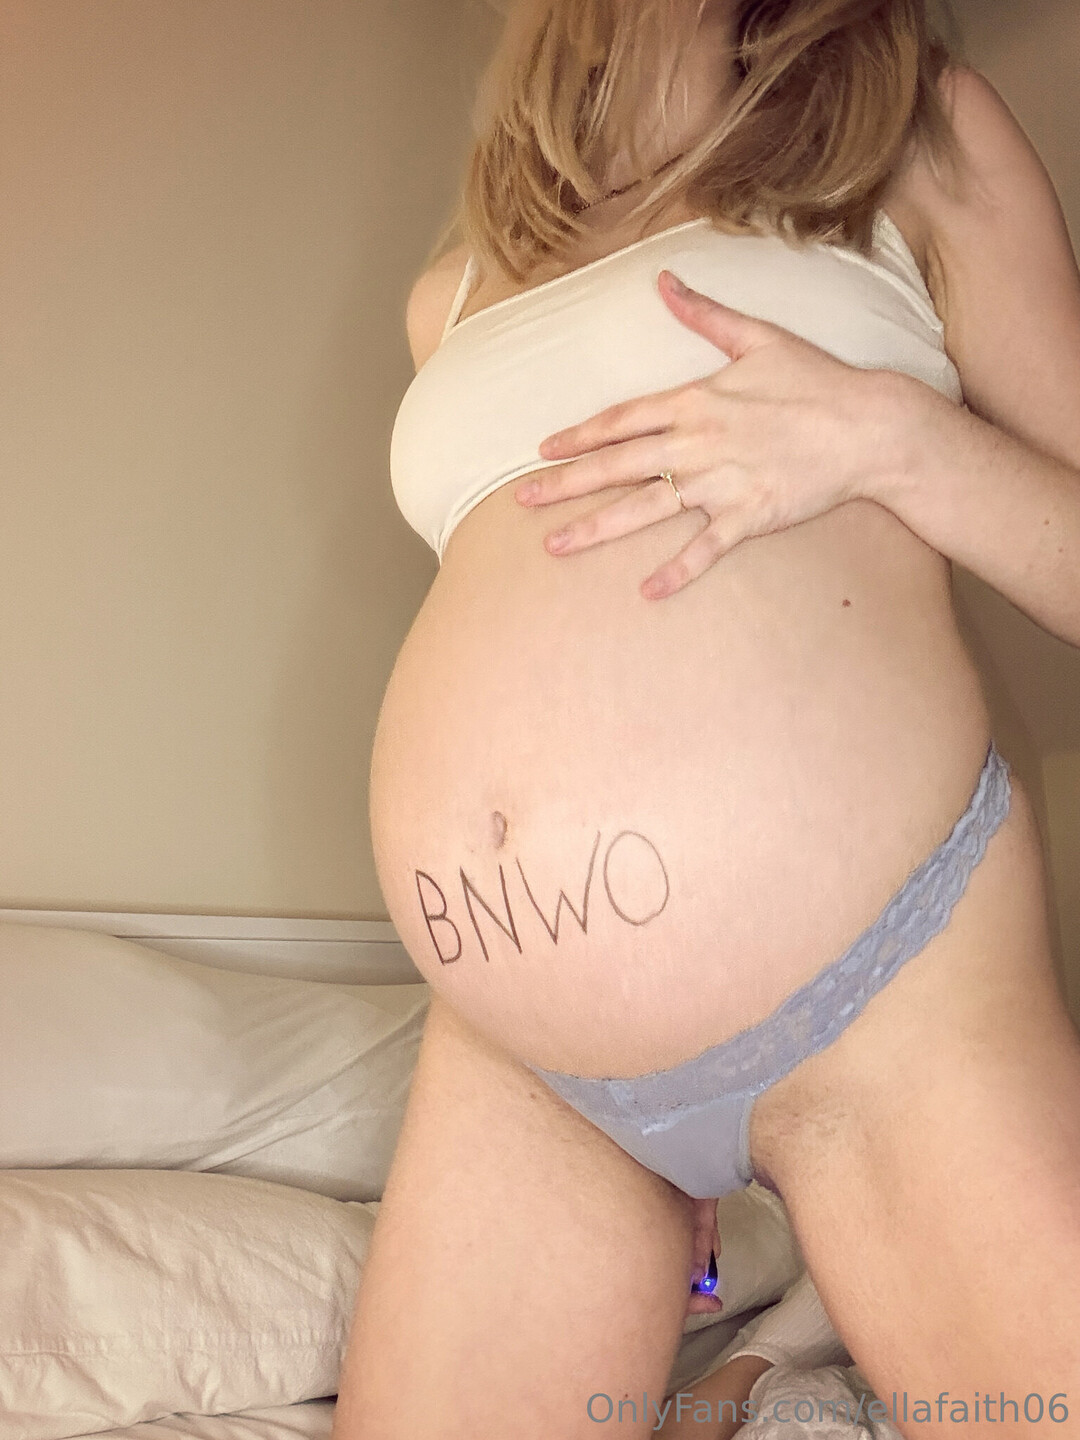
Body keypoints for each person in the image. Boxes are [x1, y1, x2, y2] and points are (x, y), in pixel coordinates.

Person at [332, 2, 1080, 1436]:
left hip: (889, 999)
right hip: (520, 1057)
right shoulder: (457, 288)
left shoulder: (919, 135)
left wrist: (894, 439)